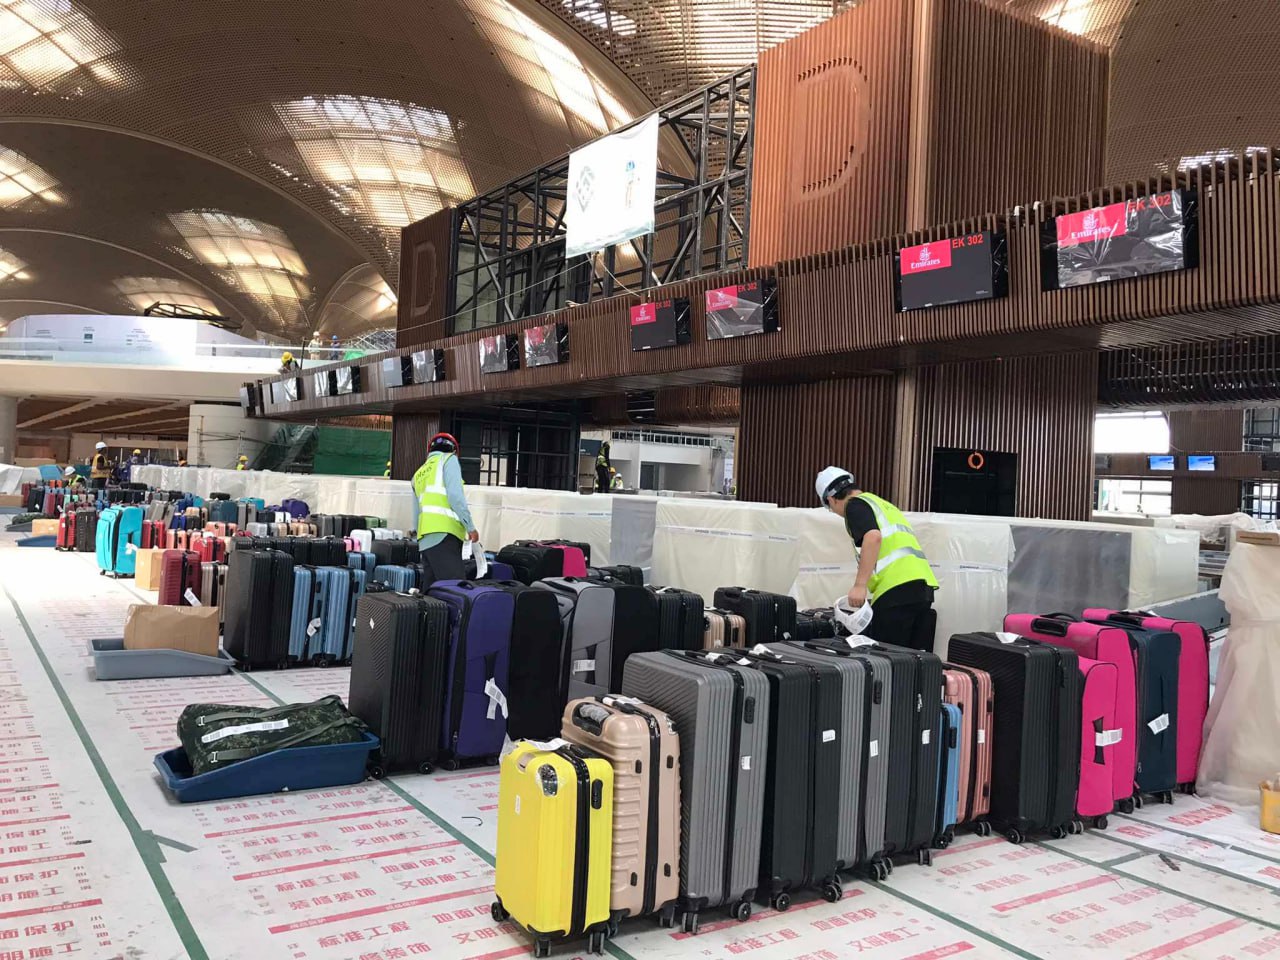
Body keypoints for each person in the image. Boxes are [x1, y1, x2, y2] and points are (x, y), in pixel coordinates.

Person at [816, 466, 939, 652]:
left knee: (887, 658)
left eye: (831, 508)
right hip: (922, 588)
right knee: (911, 659)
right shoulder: (883, 505)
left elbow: (873, 537)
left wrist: (860, 585)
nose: (836, 512)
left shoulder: (854, 505)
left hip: (895, 590)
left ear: (831, 499)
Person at [413, 432, 478, 582]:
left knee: (433, 590)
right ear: (454, 450)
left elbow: (416, 513)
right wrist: (470, 527)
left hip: (425, 540)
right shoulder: (449, 460)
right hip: (444, 535)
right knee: (455, 587)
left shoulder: (418, 474)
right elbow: (455, 497)